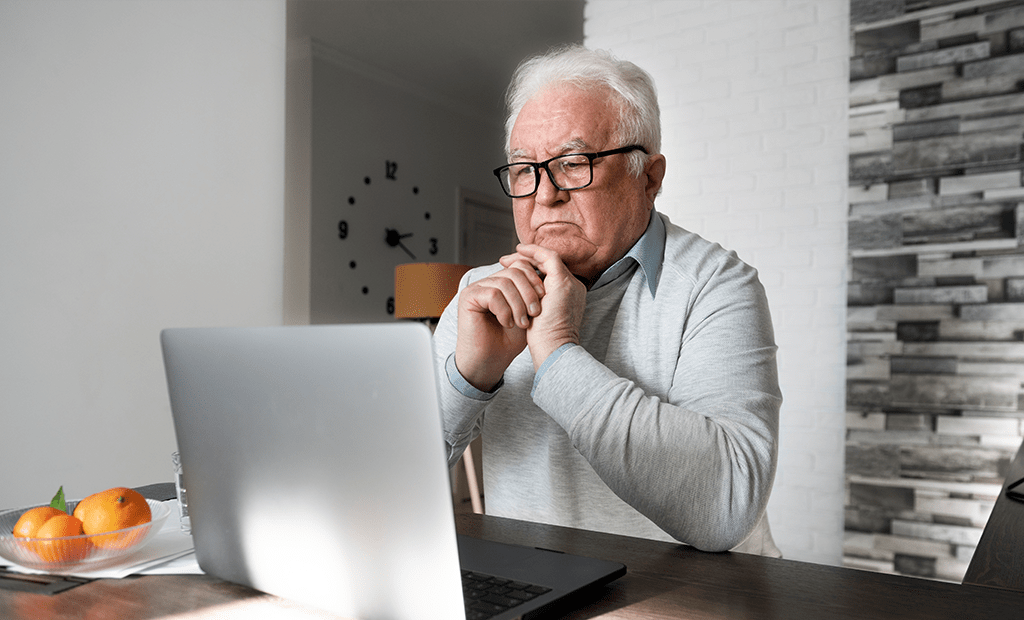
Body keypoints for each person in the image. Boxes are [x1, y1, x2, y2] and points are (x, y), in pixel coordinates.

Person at [433, 45, 782, 556]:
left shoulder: (719, 285)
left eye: (573, 164)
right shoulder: (482, 297)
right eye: (524, 169)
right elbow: (381, 482)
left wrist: (557, 355)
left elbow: (727, 506)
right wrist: (468, 378)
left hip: (694, 600)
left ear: (650, 177)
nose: (543, 195)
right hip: (536, 592)